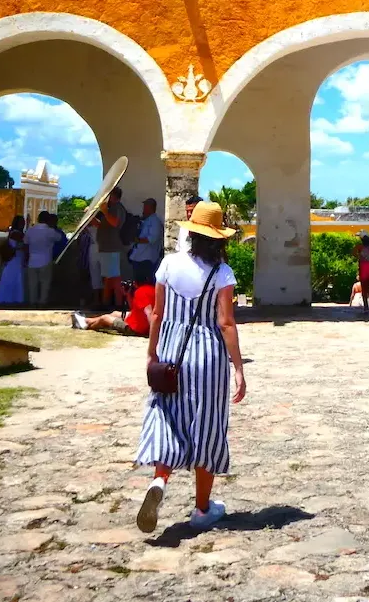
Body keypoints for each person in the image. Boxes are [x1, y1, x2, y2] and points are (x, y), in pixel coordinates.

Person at [135, 201, 246, 534]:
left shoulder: (169, 264)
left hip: (172, 348)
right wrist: (238, 367)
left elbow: (156, 313)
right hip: (208, 354)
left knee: (168, 416)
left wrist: (152, 352)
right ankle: (201, 508)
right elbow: (226, 323)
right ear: (219, 239)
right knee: (207, 426)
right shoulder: (222, 273)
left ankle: (160, 480)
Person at [73, 280, 155, 336]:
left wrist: (153, 333)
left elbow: (149, 313)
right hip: (139, 320)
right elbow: (134, 308)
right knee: (115, 313)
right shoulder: (153, 290)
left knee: (105, 318)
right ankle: (86, 321)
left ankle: (86, 325)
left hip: (135, 328)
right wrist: (127, 294)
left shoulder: (140, 292)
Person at [95, 186, 127, 309]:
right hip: (107, 247)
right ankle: (106, 302)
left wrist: (105, 211)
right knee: (109, 277)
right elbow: (103, 226)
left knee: (114, 278)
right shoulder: (111, 209)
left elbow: (115, 223)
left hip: (112, 247)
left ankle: (116, 304)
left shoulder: (116, 208)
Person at [23, 212, 61, 307]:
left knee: (32, 284)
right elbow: (59, 238)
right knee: (45, 283)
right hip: (45, 260)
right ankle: (42, 303)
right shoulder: (50, 231)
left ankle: (32, 303)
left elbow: (25, 243)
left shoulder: (30, 230)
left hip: (32, 261)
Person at [130, 199, 164, 285]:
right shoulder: (146, 220)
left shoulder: (155, 221)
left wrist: (136, 240)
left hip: (147, 259)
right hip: (139, 257)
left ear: (151, 208)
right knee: (138, 283)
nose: (143, 209)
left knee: (146, 284)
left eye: (145, 207)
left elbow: (152, 239)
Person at [0, 215, 26, 305]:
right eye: (22, 222)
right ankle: (10, 299)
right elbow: (24, 243)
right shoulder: (16, 233)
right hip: (14, 260)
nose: (23, 224)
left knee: (11, 278)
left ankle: (9, 299)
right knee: (13, 279)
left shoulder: (13, 233)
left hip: (15, 259)